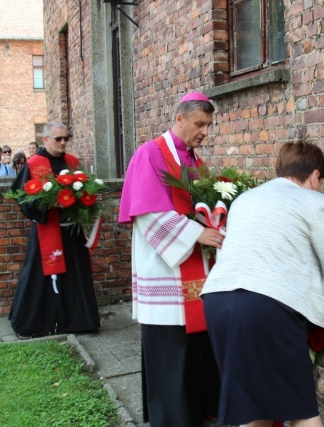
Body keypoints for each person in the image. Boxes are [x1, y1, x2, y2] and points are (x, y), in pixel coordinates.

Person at [200, 142, 324, 427]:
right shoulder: (315, 202)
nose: (320, 189)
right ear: (314, 176)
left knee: (253, 407)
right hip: (268, 307)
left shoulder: (243, 200)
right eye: (321, 183)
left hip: (219, 303)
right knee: (301, 409)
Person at [118, 92, 222, 426]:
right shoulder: (151, 154)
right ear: (179, 119)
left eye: (208, 124)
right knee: (170, 352)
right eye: (199, 123)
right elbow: (148, 214)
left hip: (195, 274)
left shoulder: (195, 161)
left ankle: (192, 414)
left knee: (194, 349)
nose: (204, 131)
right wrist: (196, 234)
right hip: (165, 270)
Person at [9, 122, 100, 339]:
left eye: (66, 138)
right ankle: (31, 323)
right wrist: (47, 205)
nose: (63, 143)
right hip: (47, 231)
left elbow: (84, 189)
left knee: (76, 274)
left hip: (72, 230)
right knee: (37, 277)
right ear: (46, 140)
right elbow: (21, 196)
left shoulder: (72, 162)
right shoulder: (34, 164)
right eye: (58, 139)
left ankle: (79, 320)